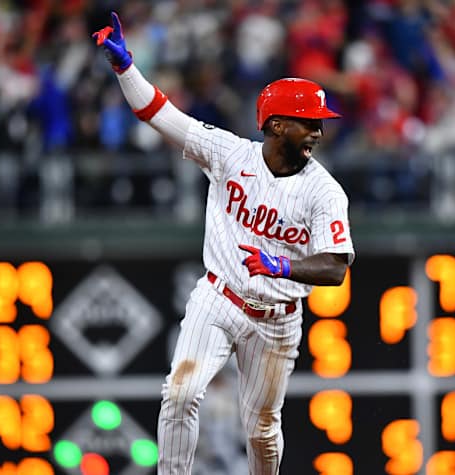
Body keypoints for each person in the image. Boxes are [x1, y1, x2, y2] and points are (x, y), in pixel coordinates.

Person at [93, 12, 355, 475]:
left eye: (319, 122)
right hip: (220, 297)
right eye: (307, 121)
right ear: (275, 125)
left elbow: (335, 267)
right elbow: (158, 114)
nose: (318, 130)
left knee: (261, 430)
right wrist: (125, 70)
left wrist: (280, 266)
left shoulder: (325, 191)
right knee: (180, 392)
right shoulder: (229, 153)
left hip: (278, 319)